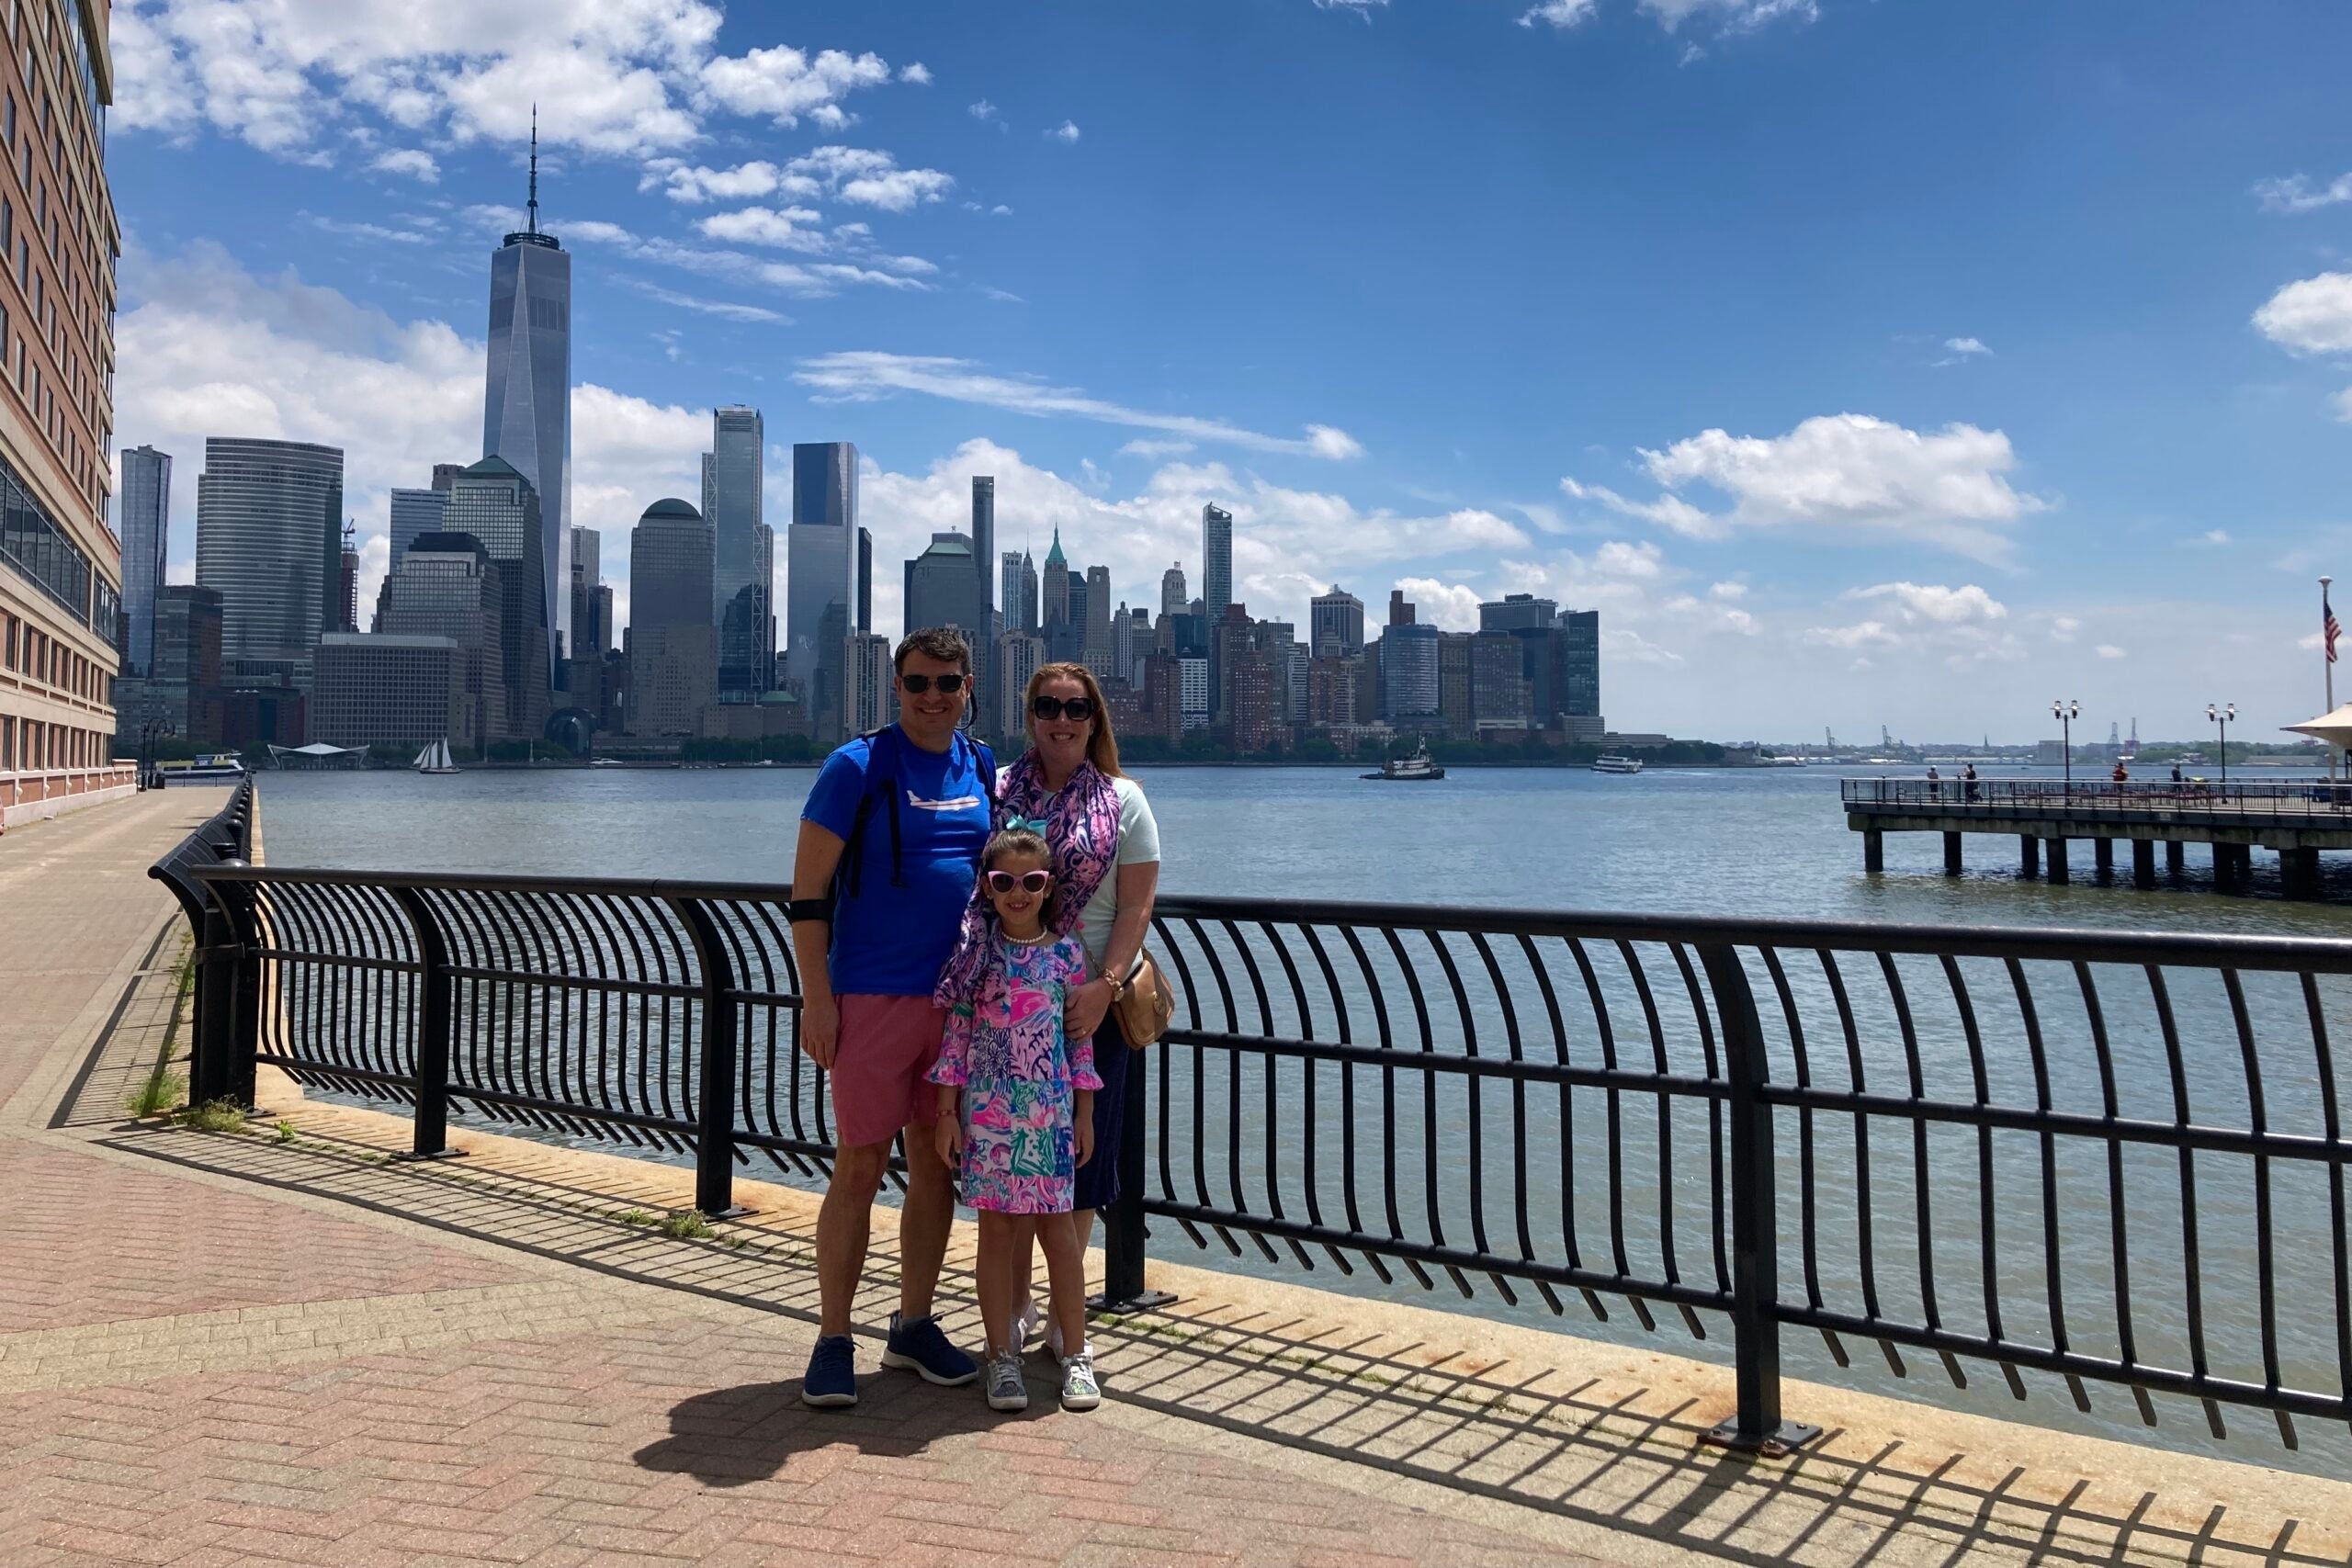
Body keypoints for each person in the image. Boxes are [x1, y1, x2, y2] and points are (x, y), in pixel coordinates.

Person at [787, 628, 993, 1408]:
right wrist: (817, 998)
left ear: (969, 687)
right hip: (871, 998)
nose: (933, 697)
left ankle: (912, 1324)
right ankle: (833, 1335)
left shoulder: (980, 765)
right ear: (896, 686)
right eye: (918, 683)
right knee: (860, 1167)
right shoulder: (854, 767)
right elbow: (808, 897)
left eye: (947, 683)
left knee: (935, 1165)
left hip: (960, 1004)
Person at [941, 660, 1159, 1363]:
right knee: (1008, 1167)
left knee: (1077, 1165)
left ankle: (1067, 1314)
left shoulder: (1125, 800)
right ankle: (1018, 1302)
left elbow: (1135, 905)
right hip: (1004, 1001)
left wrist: (1108, 985)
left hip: (1088, 1003)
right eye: (1047, 706)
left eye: (1075, 707)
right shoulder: (1002, 789)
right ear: (1030, 715)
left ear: (1095, 718)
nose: (1061, 719)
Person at [931, 826, 1103, 1415]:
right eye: (1005, 882)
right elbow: (955, 1040)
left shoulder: (1066, 954)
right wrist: (946, 1114)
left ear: (1048, 885)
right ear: (988, 886)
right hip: (989, 1118)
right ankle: (1001, 1354)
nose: (1019, 893)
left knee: (1061, 1237)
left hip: (1049, 1119)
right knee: (997, 1236)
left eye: (1031, 882)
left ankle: (1076, 1353)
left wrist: (1084, 1114)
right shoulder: (975, 958)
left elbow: (1080, 1046)